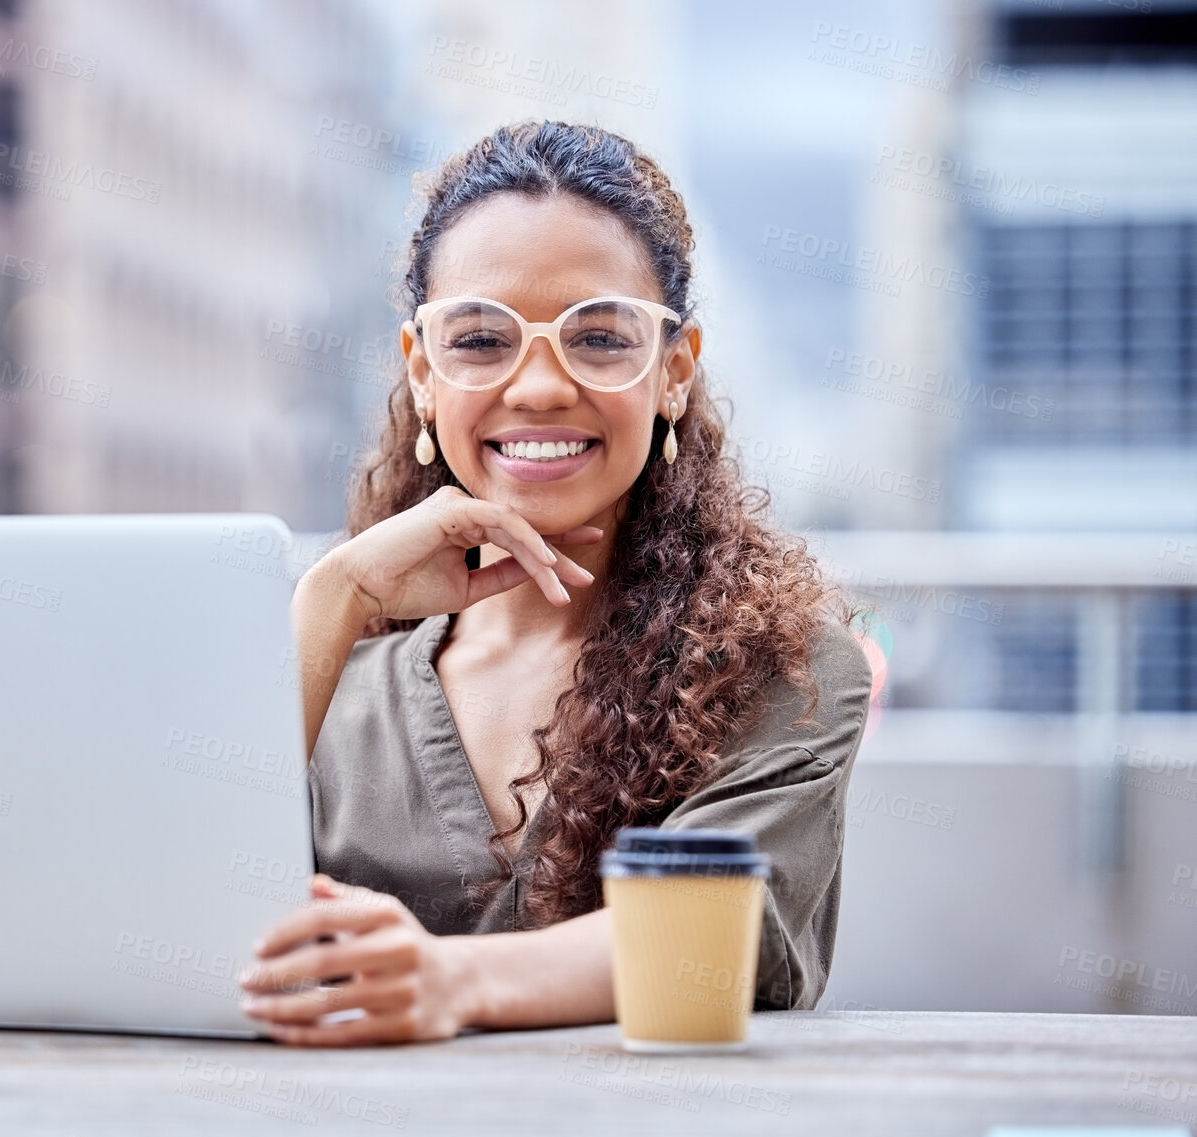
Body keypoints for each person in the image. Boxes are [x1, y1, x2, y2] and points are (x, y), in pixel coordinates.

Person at [237, 120, 874, 1047]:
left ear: (672, 372)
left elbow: (711, 938)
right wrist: (331, 598)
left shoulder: (787, 665)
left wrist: (448, 979)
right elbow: (175, 912)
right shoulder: (334, 663)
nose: (537, 387)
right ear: (423, 373)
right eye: (482, 339)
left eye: (600, 337)